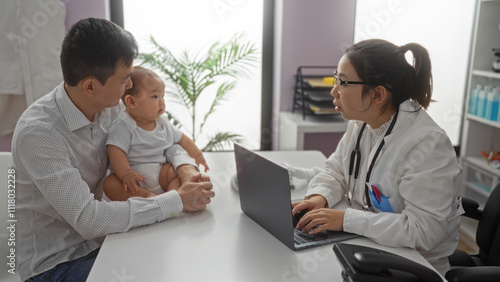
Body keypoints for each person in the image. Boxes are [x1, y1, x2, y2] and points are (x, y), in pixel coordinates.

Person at [11, 18, 215, 282]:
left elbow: (164, 142)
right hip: (54, 265)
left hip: (102, 242)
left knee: (182, 258)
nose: (129, 86)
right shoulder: (39, 134)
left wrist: (188, 174)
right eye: (124, 79)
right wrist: (176, 199)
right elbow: (88, 219)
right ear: (91, 86)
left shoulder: (112, 110)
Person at [292, 39, 463, 276]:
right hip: (369, 245)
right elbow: (336, 170)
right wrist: (320, 196)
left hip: (415, 267)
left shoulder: (427, 144)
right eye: (335, 78)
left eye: (342, 82)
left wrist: (346, 220)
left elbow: (424, 232)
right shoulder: (362, 123)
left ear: (378, 94)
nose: (334, 91)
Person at [104, 66, 209, 201]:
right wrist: (126, 174)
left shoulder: (162, 122)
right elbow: (115, 150)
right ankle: (146, 196)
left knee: (175, 173)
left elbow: (182, 138)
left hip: (160, 172)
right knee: (111, 184)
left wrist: (198, 155)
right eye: (154, 96)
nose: (162, 102)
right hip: (135, 176)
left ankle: (172, 197)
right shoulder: (124, 124)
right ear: (131, 102)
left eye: (162, 96)